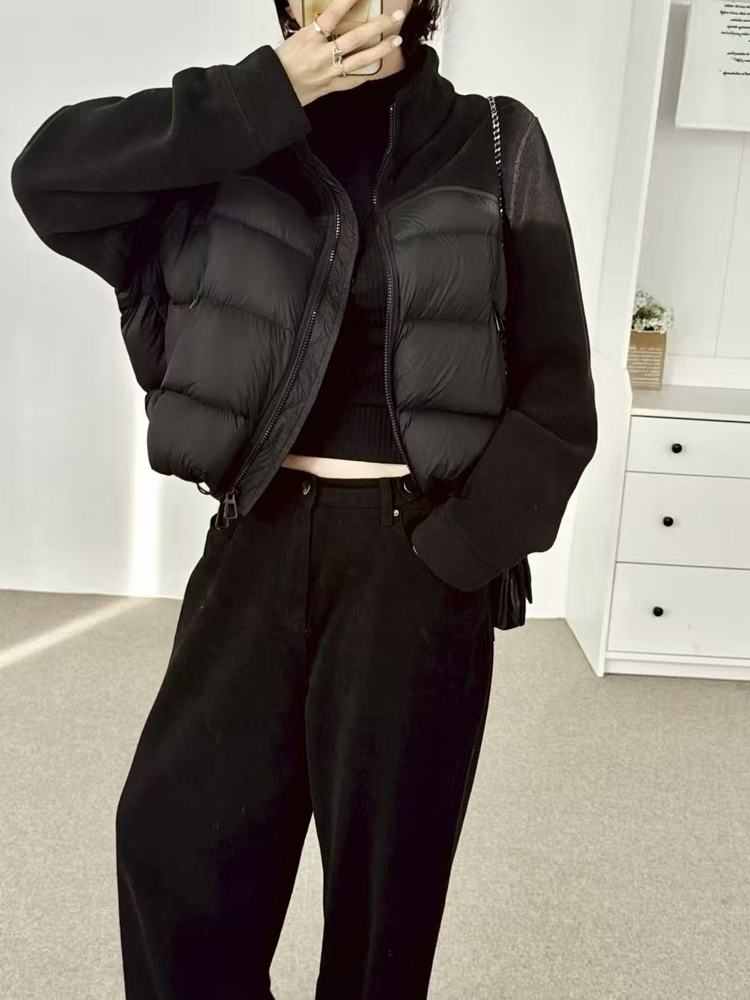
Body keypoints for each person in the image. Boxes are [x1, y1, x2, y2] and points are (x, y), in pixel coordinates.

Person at [10, 0, 598, 997]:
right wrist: (264, 94)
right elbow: (50, 177)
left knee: (381, 906)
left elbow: (558, 390)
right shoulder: (225, 140)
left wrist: (463, 552)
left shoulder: (494, 139)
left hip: (417, 565)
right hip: (257, 540)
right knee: (174, 850)